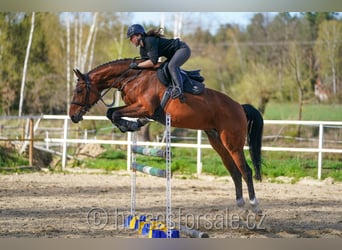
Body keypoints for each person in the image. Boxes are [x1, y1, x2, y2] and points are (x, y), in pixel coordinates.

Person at [126, 24, 191, 100]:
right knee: (161, 70)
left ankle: (179, 89)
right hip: (172, 55)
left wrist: (137, 65)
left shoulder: (149, 41)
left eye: (131, 37)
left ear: (139, 35)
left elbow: (153, 62)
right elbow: (146, 64)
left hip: (182, 49)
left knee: (171, 66)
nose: (131, 40)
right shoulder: (142, 49)